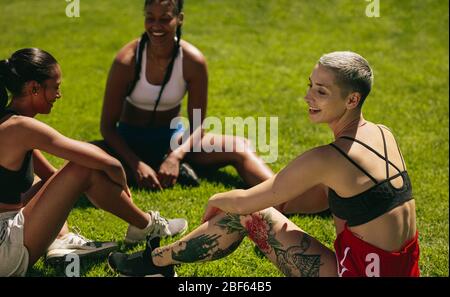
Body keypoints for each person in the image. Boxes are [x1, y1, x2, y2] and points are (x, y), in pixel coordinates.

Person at [108, 51, 420, 277]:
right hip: (401, 271)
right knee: (259, 212)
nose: (307, 96)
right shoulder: (382, 134)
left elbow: (248, 201)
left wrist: (217, 199)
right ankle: (158, 263)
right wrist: (276, 209)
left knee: (248, 211)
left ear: (352, 100)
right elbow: (330, 196)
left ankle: (154, 262)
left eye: (321, 91)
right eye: (310, 84)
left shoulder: (329, 158)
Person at [0, 48, 188, 277]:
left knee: (48, 178)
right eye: (55, 87)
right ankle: (146, 226)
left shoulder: (7, 121)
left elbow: (52, 178)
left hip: (6, 231)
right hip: (5, 248)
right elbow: (99, 162)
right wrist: (118, 173)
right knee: (82, 168)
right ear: (34, 88)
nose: (59, 95)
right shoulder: (21, 127)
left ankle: (63, 240)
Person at [94, 0, 274, 191]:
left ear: (179, 19)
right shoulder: (126, 61)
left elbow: (198, 125)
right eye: (150, 18)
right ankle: (152, 171)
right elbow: (108, 127)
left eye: (165, 19)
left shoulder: (192, 62)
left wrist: (176, 156)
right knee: (83, 158)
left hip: (172, 141)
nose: (156, 26)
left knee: (240, 147)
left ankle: (285, 196)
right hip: (129, 142)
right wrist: (136, 163)